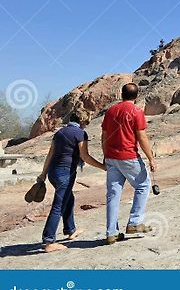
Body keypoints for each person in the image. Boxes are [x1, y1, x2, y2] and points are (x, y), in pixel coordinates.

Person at [37, 113, 105, 252]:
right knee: (58, 205)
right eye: (86, 122)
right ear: (82, 121)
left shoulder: (59, 132)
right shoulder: (80, 133)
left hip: (53, 173)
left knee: (69, 199)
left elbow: (50, 154)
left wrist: (43, 174)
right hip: (65, 174)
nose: (86, 125)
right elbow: (84, 156)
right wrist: (102, 166)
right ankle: (48, 241)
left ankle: (70, 230)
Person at [101, 83, 157, 245]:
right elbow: (142, 137)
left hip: (111, 157)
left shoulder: (111, 111)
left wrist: (106, 155)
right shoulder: (136, 111)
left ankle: (111, 233)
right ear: (136, 95)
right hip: (129, 156)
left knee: (113, 194)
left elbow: (104, 135)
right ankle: (134, 222)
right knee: (143, 185)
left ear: (121, 94)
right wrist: (151, 158)